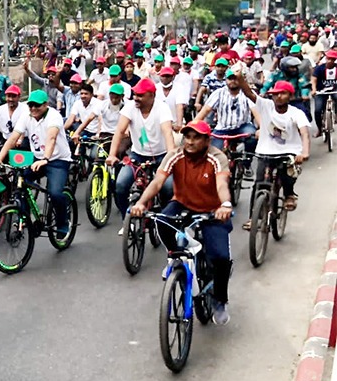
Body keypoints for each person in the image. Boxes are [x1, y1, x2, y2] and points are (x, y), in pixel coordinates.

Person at [130, 120, 234, 324]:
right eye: (187, 137)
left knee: (220, 258)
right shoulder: (175, 155)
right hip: (183, 204)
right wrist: (141, 204)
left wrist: (225, 205)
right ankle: (175, 256)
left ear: (207, 140)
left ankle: (220, 301)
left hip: (212, 210)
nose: (190, 142)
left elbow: (221, 184)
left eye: (196, 138)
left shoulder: (217, 157)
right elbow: (158, 182)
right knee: (161, 220)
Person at [0, 88, 74, 235]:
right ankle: (25, 217)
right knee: (20, 183)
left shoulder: (54, 116)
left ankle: (63, 223)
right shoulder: (26, 116)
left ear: (46, 104)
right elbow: (13, 138)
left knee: (55, 193)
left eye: (37, 105)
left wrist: (46, 159)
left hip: (58, 160)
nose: (33, 108)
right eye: (31, 105)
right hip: (37, 158)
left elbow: (52, 138)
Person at [236, 76, 311, 220]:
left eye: (283, 93)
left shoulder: (296, 113)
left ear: (290, 96)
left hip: (289, 152)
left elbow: (304, 134)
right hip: (265, 151)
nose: (278, 96)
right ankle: (253, 219)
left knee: (287, 175)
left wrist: (304, 152)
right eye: (276, 93)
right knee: (258, 185)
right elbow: (248, 93)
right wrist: (240, 78)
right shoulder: (266, 105)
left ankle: (289, 194)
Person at [106, 78, 177, 225]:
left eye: (140, 95)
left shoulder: (162, 108)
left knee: (168, 187)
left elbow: (167, 133)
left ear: (151, 95)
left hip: (161, 156)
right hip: (137, 155)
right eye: (135, 94)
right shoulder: (130, 107)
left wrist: (170, 161)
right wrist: (112, 155)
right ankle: (127, 222)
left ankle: (164, 221)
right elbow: (119, 131)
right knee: (120, 185)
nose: (136, 98)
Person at [195, 69, 260, 154]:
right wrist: (193, 126)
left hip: (243, 127)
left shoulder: (247, 93)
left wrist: (261, 129)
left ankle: (247, 164)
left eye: (236, 78)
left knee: (252, 139)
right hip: (222, 128)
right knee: (213, 153)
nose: (233, 81)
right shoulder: (218, 93)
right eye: (230, 79)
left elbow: (255, 111)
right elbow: (205, 110)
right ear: (226, 80)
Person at [310, 50, 337, 138]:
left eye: (332, 59)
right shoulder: (319, 68)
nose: (329, 61)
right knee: (317, 110)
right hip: (321, 91)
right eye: (328, 58)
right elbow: (314, 80)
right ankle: (319, 129)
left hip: (334, 91)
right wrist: (314, 90)